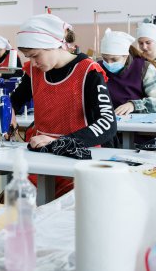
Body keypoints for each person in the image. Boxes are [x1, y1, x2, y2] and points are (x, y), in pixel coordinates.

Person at [9, 14, 117, 197]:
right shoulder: (34, 71)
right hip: (41, 156)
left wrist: (61, 142)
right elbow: (14, 101)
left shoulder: (88, 72)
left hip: (77, 160)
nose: (33, 63)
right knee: (15, 206)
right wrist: (8, 113)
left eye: (35, 56)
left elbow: (107, 123)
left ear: (54, 44)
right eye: (28, 57)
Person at [98, 29, 156, 115]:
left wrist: (134, 105)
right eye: (105, 58)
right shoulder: (97, 68)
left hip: (136, 125)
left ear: (126, 56)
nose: (109, 63)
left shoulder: (144, 69)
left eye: (114, 59)